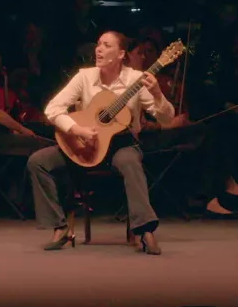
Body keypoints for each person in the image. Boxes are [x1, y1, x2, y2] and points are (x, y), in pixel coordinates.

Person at [27, 31, 174, 254]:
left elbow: (167, 119)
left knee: (130, 162)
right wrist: (77, 130)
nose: (99, 49)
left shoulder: (136, 79)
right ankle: (59, 227)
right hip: (86, 143)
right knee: (38, 161)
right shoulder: (85, 77)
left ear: (121, 54)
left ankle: (145, 230)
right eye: (98, 44)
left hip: (121, 145)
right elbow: (53, 109)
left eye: (106, 45)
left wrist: (157, 94)